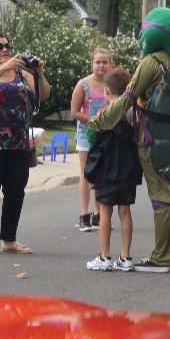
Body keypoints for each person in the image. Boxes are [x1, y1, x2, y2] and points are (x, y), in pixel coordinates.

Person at [89, 7, 170, 273]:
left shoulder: (153, 62)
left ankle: (162, 257)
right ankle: (169, 254)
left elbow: (127, 96)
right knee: (168, 193)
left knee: (161, 196)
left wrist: (100, 121)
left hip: (151, 140)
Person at [0, 32, 50, 256]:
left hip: (19, 143)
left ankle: (9, 240)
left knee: (15, 191)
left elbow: (44, 94)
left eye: (7, 46)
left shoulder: (22, 75)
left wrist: (39, 74)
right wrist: (3, 68)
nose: (5, 49)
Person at [84, 68, 142, 272]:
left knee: (105, 213)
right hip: (128, 169)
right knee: (125, 212)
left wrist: (91, 173)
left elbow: (95, 143)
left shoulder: (104, 116)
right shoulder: (133, 113)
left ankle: (105, 256)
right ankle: (126, 257)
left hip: (107, 171)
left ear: (107, 91)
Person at [70, 48, 111, 232]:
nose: (101, 66)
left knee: (102, 175)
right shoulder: (83, 85)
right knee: (86, 174)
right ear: (92, 64)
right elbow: (74, 112)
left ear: (110, 64)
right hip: (86, 134)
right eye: (98, 62)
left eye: (105, 62)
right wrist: (94, 120)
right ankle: (84, 215)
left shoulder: (112, 85)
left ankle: (98, 214)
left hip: (106, 135)